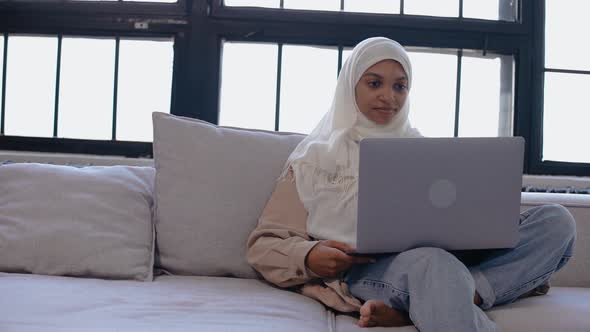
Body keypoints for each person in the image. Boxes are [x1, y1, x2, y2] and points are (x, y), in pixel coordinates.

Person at [246, 37, 576, 331]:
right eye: (374, 83)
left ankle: (449, 298)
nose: (388, 97)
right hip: (373, 270)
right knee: (432, 262)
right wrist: (309, 254)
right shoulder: (312, 159)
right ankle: (441, 297)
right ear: (350, 86)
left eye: (400, 87)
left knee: (557, 221)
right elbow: (263, 245)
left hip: (451, 258)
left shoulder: (424, 151)